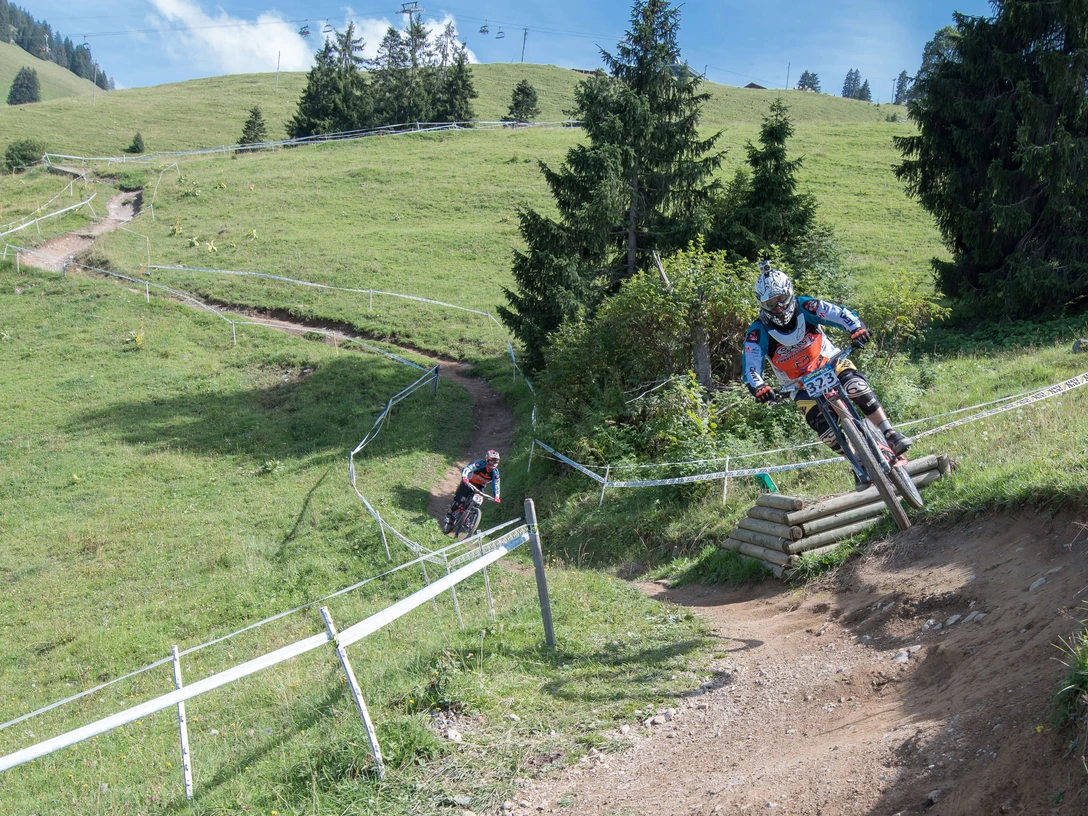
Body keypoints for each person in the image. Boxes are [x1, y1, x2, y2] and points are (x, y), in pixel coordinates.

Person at [742, 260, 911, 490]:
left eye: (781, 299)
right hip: (798, 385)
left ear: (789, 293)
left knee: (856, 388)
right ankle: (857, 460)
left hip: (831, 363)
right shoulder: (757, 331)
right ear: (762, 304)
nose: (779, 307)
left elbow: (838, 314)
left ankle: (889, 432)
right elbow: (751, 365)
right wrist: (759, 386)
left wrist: (856, 328)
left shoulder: (806, 307)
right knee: (825, 430)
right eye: (771, 303)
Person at [443, 449, 501, 528]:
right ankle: (449, 514)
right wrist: (465, 477)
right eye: (492, 461)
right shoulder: (480, 464)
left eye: (496, 462)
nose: (494, 464)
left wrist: (496, 496)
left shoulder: (495, 473)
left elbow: (496, 484)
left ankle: (468, 518)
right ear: (487, 459)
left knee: (477, 503)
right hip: (469, 482)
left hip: (480, 487)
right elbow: (468, 468)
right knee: (459, 500)